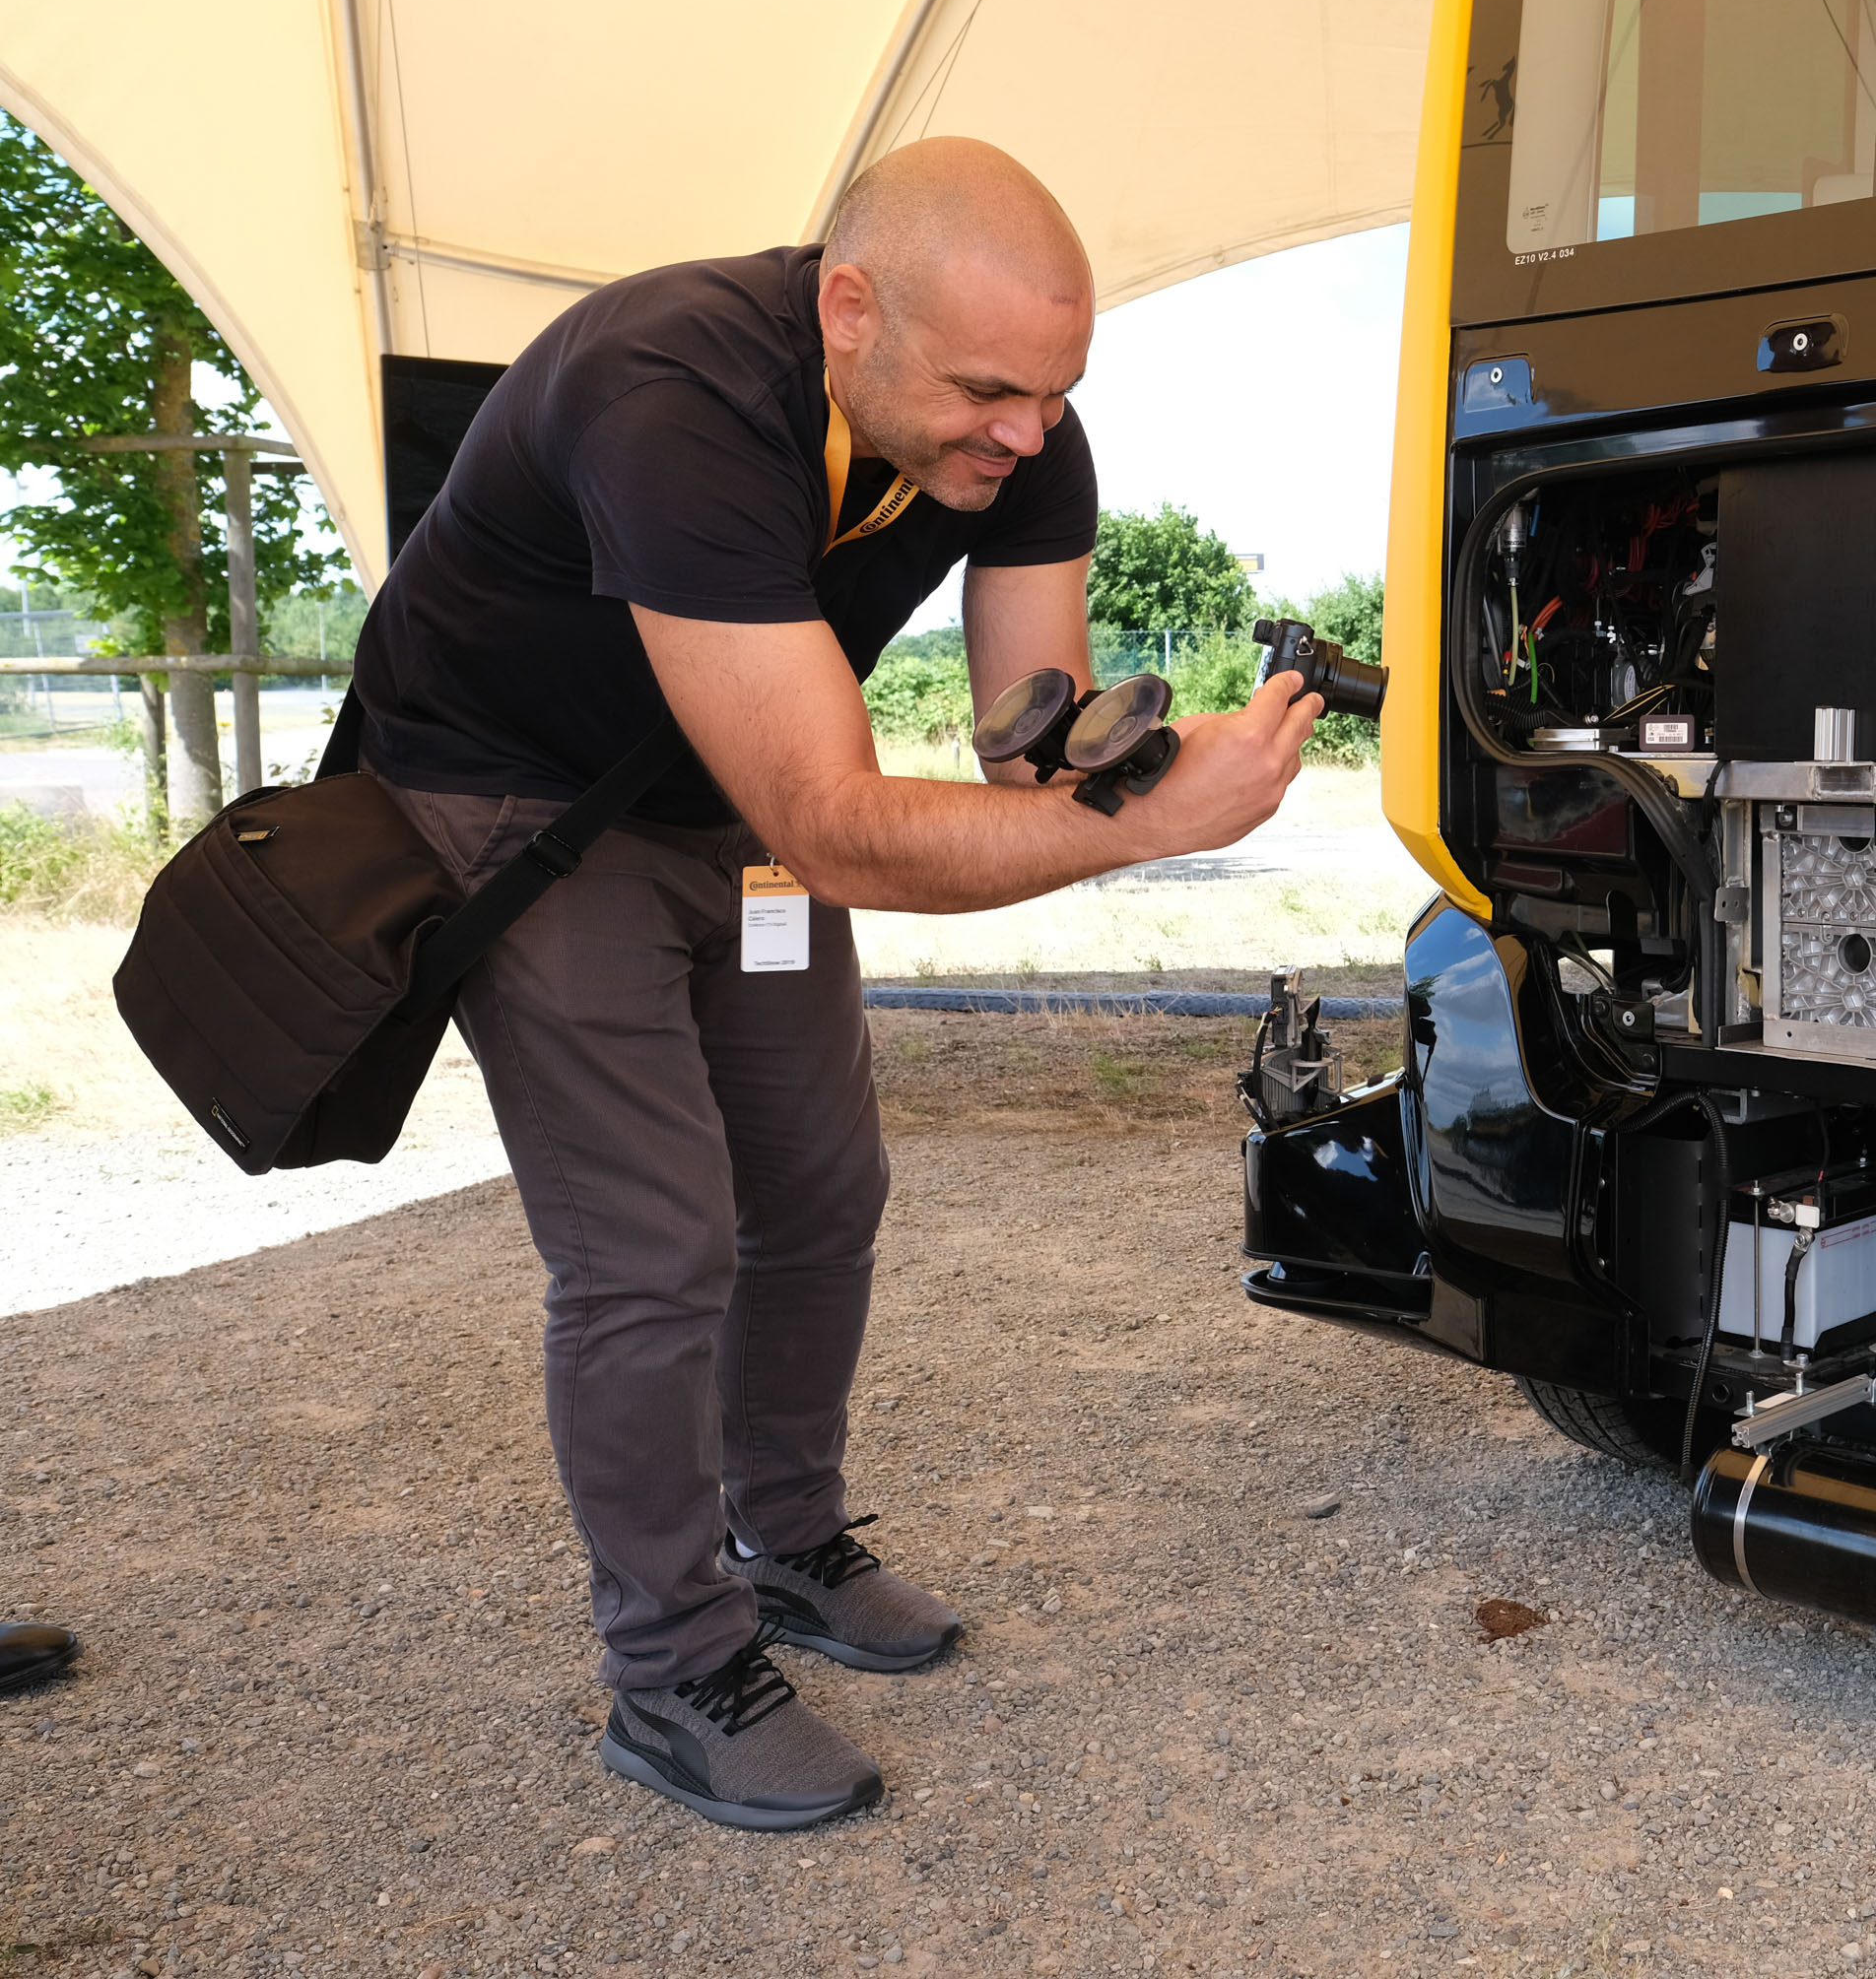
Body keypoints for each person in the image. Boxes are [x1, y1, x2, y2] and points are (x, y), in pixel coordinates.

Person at [344, 138, 1318, 1832]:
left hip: (731, 807)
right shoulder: (672, 393)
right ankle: (671, 1671)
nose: (1026, 435)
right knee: (653, 1244)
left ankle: (783, 1537)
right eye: (988, 391)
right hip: (520, 801)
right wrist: (1157, 834)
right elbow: (841, 826)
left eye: (1056, 392)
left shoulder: (1026, 434)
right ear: (850, 309)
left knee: (816, 1186)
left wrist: (1136, 768)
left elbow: (1025, 750)